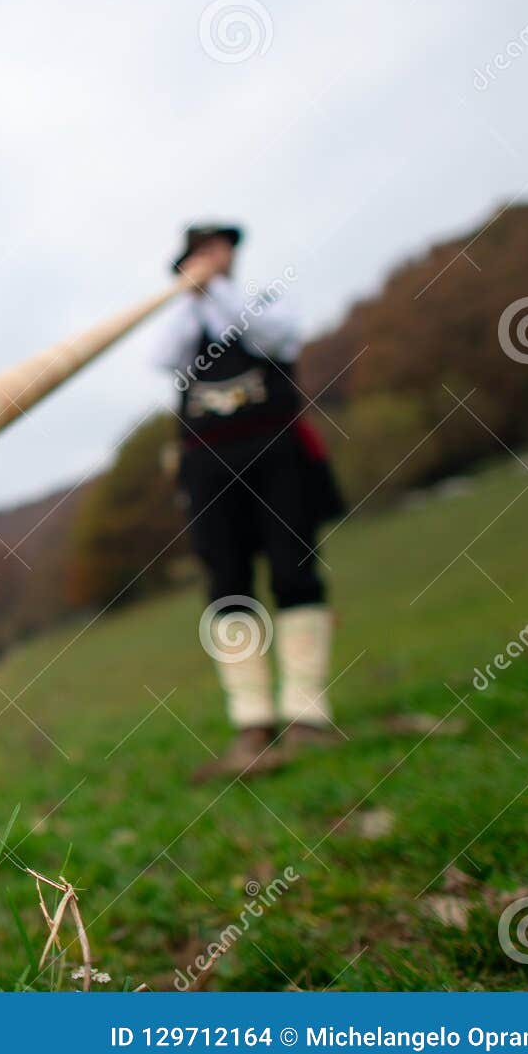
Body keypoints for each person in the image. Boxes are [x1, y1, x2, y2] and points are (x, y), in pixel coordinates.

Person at [158, 225, 345, 782]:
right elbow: (159, 357)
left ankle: (307, 711)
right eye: (199, 253)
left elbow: (276, 339)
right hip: (208, 467)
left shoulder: (259, 300)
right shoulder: (178, 322)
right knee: (227, 582)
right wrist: (189, 297)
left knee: (295, 569)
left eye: (218, 250)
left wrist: (217, 290)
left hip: (276, 454)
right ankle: (253, 721)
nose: (211, 260)